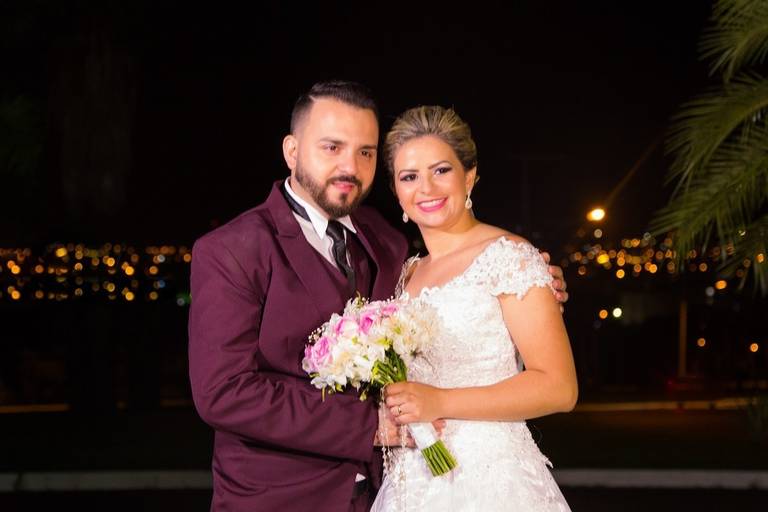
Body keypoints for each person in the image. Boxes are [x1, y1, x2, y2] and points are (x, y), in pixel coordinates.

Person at [188, 81, 569, 511]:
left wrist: (533, 280)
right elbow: (223, 391)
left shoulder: (385, 242)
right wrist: (368, 426)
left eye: (365, 152)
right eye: (332, 147)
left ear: (470, 176)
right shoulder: (232, 249)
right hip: (281, 497)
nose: (349, 166)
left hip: (400, 486)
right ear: (292, 151)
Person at [372, 105, 577, 511]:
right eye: (409, 177)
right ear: (396, 191)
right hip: (413, 483)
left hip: (493, 482)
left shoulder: (510, 257)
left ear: (469, 176)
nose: (426, 188)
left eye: (441, 170)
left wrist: (441, 401)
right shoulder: (405, 275)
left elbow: (559, 388)